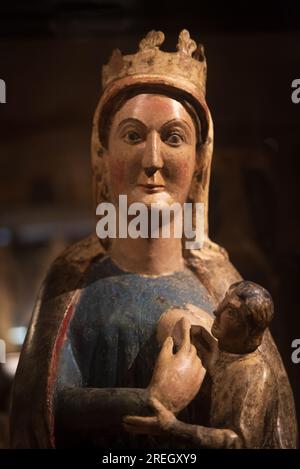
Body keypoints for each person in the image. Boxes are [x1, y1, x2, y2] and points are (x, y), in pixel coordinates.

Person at [10, 30, 297, 449]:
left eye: (174, 137)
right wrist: (150, 400)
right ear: (102, 156)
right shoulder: (70, 284)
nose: (153, 160)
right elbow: (41, 408)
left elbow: (259, 422)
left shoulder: (221, 285)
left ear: (200, 162)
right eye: (132, 135)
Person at [124, 281, 282, 448]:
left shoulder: (253, 376)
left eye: (231, 312)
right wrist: (214, 363)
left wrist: (174, 427)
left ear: (250, 330)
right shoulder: (230, 356)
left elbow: (241, 443)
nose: (216, 311)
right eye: (223, 301)